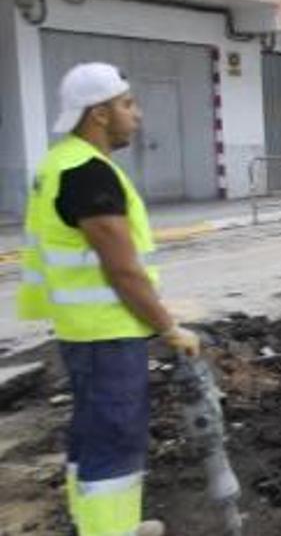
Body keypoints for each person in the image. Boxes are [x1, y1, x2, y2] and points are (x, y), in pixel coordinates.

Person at [16, 63, 202, 535]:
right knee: (116, 440)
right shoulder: (89, 174)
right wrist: (169, 327)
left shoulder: (60, 162)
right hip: (107, 331)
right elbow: (122, 270)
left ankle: (94, 524)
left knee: (90, 433)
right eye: (126, 105)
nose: (136, 115)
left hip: (83, 330)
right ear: (99, 114)